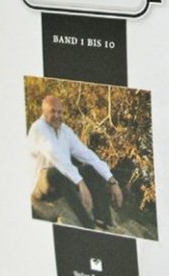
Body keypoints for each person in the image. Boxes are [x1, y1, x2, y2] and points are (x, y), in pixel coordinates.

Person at [28, 95, 123, 229]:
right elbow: (55, 155)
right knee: (59, 173)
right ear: (43, 112)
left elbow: (87, 155)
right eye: (52, 111)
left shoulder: (65, 131)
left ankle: (103, 221)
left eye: (60, 112)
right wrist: (80, 183)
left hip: (61, 182)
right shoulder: (38, 128)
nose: (57, 116)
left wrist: (112, 181)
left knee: (90, 169)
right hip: (40, 185)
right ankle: (88, 226)